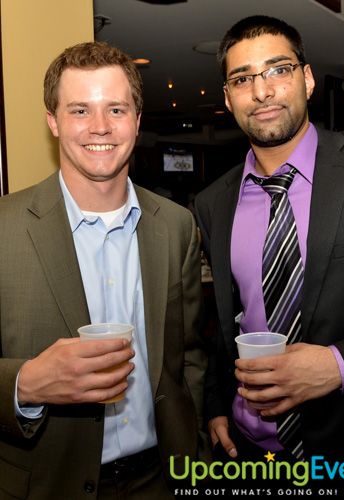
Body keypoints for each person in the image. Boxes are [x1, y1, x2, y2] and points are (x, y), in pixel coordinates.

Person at [0, 41, 208, 499]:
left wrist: (192, 446)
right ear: (52, 121)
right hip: (47, 484)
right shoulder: (5, 228)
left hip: (162, 479)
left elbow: (188, 352)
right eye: (79, 110)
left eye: (116, 109)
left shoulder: (175, 225)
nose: (100, 127)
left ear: (136, 120)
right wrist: (26, 384)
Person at [195, 15, 344, 465]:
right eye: (242, 78)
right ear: (228, 99)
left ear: (306, 79)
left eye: (278, 70)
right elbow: (224, 324)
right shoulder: (212, 203)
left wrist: (340, 365)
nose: (262, 91)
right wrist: (215, 406)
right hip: (249, 453)